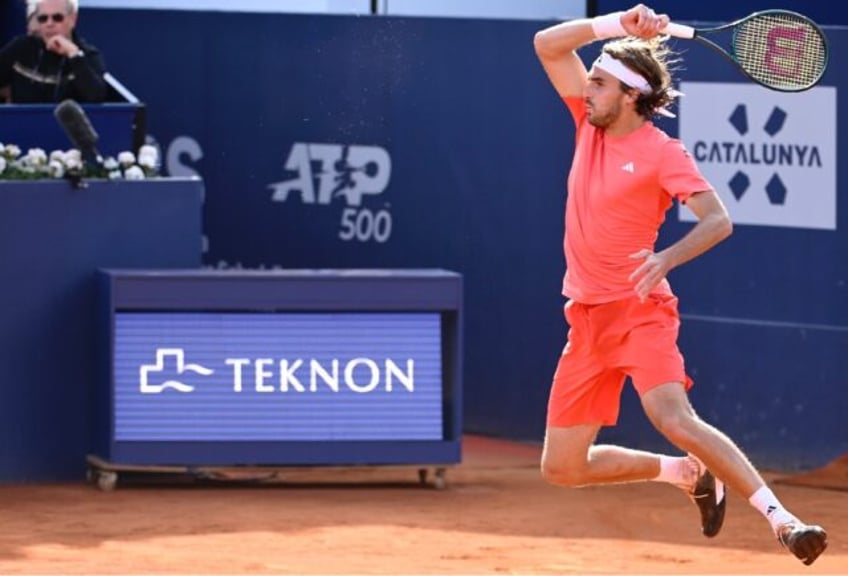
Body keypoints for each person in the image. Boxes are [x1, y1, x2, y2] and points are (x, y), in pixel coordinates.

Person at [533, 3, 828, 567]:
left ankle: (782, 520)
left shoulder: (662, 152)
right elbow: (548, 43)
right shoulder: (587, 126)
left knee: (673, 418)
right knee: (563, 469)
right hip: (586, 319)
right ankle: (684, 474)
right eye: (588, 81)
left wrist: (665, 258)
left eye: (597, 82)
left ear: (628, 95)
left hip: (640, 311)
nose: (586, 88)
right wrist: (618, 23)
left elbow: (718, 219)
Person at [0, 0, 108, 103]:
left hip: (65, 122)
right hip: (23, 121)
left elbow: (96, 97)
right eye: (43, 18)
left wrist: (74, 55)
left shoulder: (88, 55)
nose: (49, 24)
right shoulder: (21, 48)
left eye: (57, 18)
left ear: (73, 20)